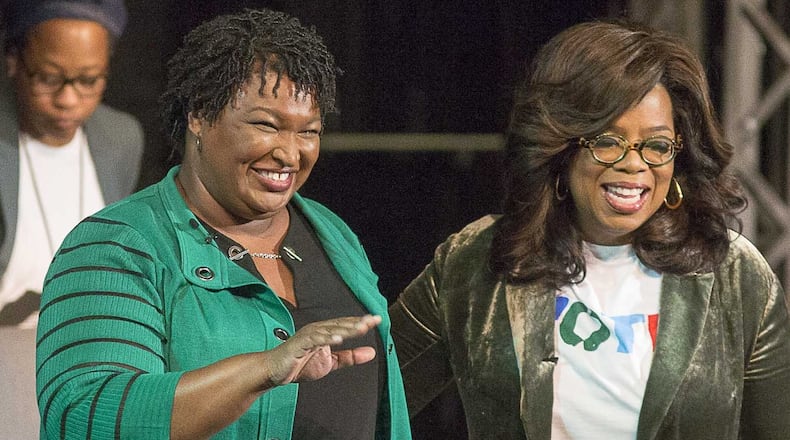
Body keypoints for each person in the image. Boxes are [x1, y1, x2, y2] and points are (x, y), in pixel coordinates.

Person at [390, 20, 790, 439]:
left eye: (656, 146)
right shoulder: (474, 261)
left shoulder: (735, 275)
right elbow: (365, 400)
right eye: (608, 142)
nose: (634, 164)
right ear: (561, 147)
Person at [36, 8, 411, 440]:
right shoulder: (116, 246)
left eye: (309, 131)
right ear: (199, 114)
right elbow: (86, 414)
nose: (290, 154)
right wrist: (264, 368)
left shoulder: (332, 233)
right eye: (266, 125)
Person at [0, 0, 144, 327]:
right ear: (13, 62)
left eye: (89, 81)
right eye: (49, 78)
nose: (68, 100)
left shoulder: (121, 138)